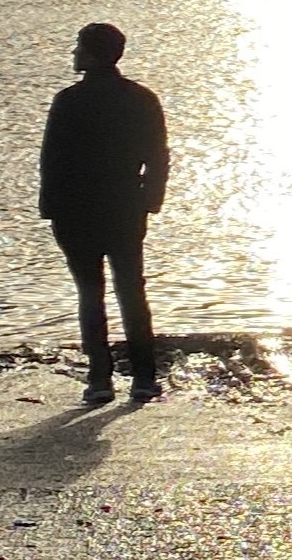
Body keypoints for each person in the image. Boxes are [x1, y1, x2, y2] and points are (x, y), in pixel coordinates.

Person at [39, 23, 169, 405]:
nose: (73, 54)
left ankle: (100, 379)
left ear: (92, 55)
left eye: (78, 47)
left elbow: (52, 160)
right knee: (131, 290)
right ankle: (144, 377)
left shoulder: (68, 101)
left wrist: (50, 207)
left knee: (89, 293)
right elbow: (157, 156)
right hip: (125, 205)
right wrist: (151, 199)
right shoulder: (142, 98)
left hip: (77, 209)